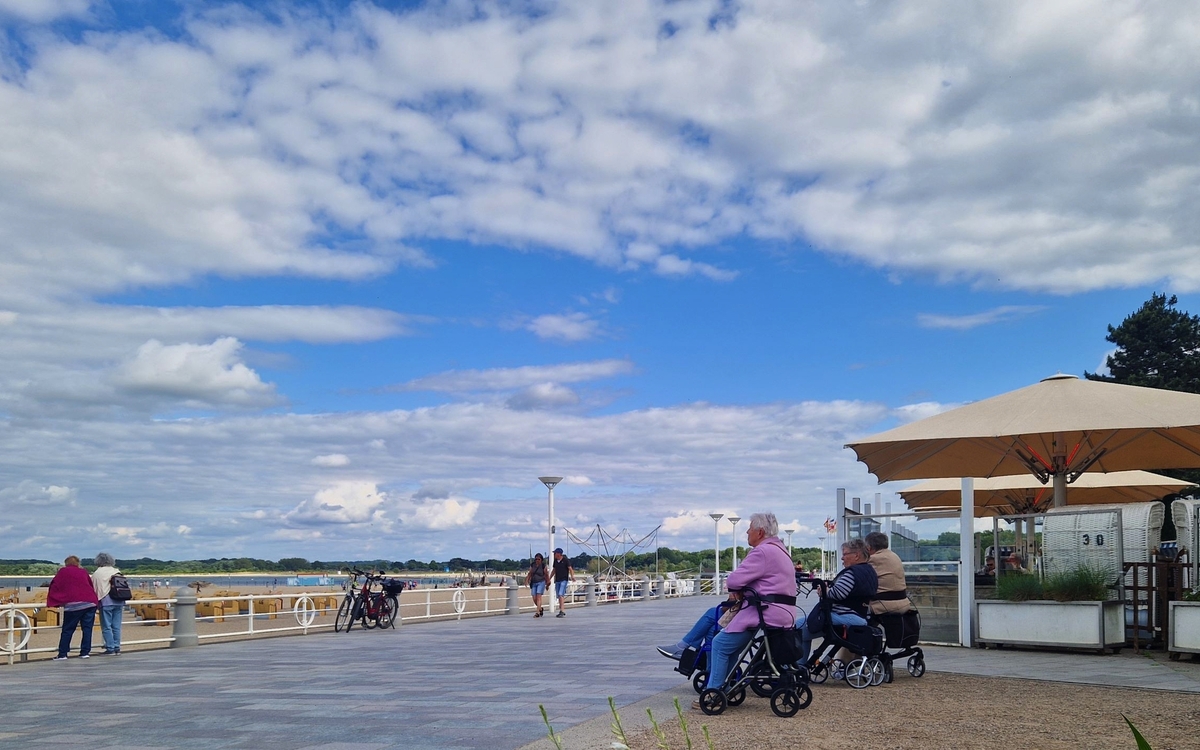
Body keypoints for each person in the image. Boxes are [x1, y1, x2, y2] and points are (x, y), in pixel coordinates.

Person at [696, 512, 796, 708]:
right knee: (731, 647)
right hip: (782, 611)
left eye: (749, 529)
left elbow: (733, 580)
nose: (747, 532)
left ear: (760, 532)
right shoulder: (781, 550)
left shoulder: (762, 552)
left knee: (720, 644)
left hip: (764, 612)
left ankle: (713, 693)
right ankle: (725, 688)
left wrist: (738, 589)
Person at [833, 531, 912, 667]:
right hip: (902, 603)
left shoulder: (872, 560)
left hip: (884, 605)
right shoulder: (894, 556)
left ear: (868, 548)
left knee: (854, 626)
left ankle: (844, 662)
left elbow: (859, 579)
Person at [796, 538, 878, 664]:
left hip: (845, 616)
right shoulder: (869, 571)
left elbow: (837, 594)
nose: (842, 558)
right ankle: (800, 666)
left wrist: (824, 590)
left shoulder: (852, 573)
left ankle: (796, 667)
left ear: (856, 555)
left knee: (798, 628)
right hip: (860, 616)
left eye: (845, 554)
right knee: (802, 629)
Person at [46, 555, 101, 660]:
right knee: (87, 629)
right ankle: (85, 653)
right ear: (78, 563)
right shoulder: (83, 571)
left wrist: (56, 601)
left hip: (74, 605)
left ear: (66, 563)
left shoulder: (63, 571)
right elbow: (89, 585)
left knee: (68, 629)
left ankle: (63, 654)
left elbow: (55, 585)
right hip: (90, 603)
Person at [656, 597, 738, 659]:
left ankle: (682, 646)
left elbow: (726, 607)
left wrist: (734, 593)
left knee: (712, 613)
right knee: (712, 630)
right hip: (741, 615)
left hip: (741, 618)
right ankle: (710, 670)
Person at [91, 552, 124, 655]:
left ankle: (110, 647)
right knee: (116, 626)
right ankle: (117, 647)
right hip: (119, 600)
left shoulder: (97, 573)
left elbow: (95, 589)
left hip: (105, 601)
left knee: (106, 626)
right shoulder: (116, 571)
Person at [549, 547, 575, 618]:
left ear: (559, 554)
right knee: (559, 595)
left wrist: (572, 576)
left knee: (561, 594)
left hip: (564, 580)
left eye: (555, 553)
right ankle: (561, 610)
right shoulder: (555, 561)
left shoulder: (565, 560)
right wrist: (549, 578)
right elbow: (554, 570)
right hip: (557, 580)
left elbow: (570, 569)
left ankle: (562, 610)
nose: (554, 554)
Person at [526, 553, 549, 617]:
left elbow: (546, 574)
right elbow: (530, 573)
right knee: (534, 598)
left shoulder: (543, 565)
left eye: (538, 559)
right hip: (534, 582)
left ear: (541, 559)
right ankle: (540, 608)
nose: (537, 560)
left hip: (541, 582)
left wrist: (547, 583)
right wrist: (527, 580)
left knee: (538, 596)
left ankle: (537, 612)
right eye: (536, 559)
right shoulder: (532, 565)